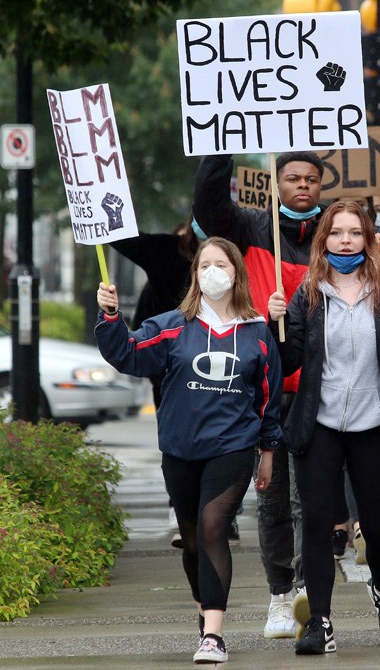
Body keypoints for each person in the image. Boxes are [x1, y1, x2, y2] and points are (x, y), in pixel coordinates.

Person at [95, 237, 283, 664]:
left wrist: (268, 449)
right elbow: (127, 354)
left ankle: (214, 636)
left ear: (237, 272)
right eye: (204, 265)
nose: (213, 271)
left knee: (214, 527)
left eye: (222, 263)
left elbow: (268, 396)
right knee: (194, 540)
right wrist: (110, 317)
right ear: (195, 275)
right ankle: (204, 609)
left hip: (233, 447)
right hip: (180, 450)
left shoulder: (257, 333)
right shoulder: (171, 326)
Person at [267, 200, 380, 655]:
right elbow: (287, 363)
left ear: (368, 238)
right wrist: (274, 324)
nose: (345, 241)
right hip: (319, 426)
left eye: (354, 233)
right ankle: (320, 621)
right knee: (318, 524)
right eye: (336, 233)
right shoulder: (307, 294)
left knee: (378, 529)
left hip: (376, 427)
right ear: (324, 241)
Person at [193, 151, 324, 639]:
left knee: (310, 499)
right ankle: (279, 593)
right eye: (292, 178)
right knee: (271, 501)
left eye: (311, 179)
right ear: (276, 184)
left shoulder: (335, 233)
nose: (303, 187)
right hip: (265, 393)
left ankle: (314, 591)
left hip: (318, 389)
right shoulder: (250, 227)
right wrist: (221, 141)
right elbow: (208, 207)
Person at [111, 214, 206, 548]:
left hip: (223, 364)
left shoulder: (243, 248)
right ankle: (181, 510)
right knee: (179, 439)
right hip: (171, 369)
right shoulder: (166, 253)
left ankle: (218, 513)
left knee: (222, 438)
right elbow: (124, 238)